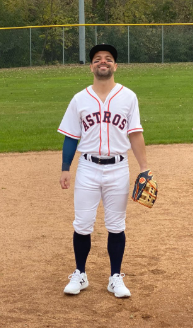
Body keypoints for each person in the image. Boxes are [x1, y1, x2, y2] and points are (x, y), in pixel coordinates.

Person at [58, 44, 150, 298]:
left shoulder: (128, 97)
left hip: (118, 167)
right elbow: (70, 137)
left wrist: (144, 168)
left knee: (116, 225)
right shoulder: (79, 99)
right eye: (98, 59)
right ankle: (80, 274)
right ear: (91, 66)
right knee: (83, 224)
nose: (103, 62)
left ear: (115, 66)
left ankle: (115, 277)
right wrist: (66, 168)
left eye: (108, 59)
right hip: (87, 167)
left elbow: (135, 133)